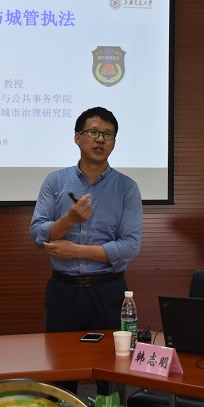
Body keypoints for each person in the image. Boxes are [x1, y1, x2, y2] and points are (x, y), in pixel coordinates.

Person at [30, 106, 143, 336]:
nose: (100, 139)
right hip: (63, 291)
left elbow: (130, 247)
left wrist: (76, 251)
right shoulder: (55, 182)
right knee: (61, 357)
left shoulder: (126, 188)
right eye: (93, 132)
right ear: (77, 137)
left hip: (108, 290)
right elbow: (38, 235)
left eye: (108, 134)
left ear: (114, 142)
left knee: (111, 357)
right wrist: (70, 219)